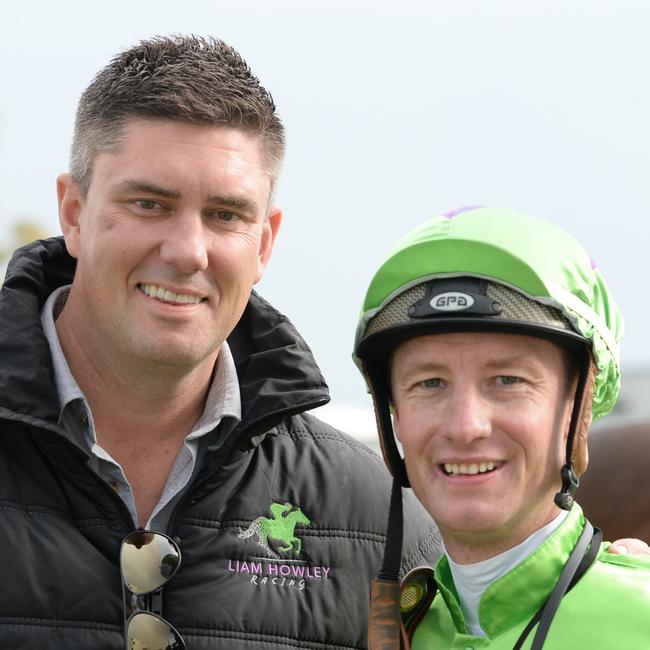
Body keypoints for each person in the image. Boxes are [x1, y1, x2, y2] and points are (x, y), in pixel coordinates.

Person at [0, 35, 441, 649]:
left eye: (226, 215)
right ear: (73, 213)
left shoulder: (377, 519)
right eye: (150, 203)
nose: (187, 252)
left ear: (264, 242)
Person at [354, 206, 650, 648]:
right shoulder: (399, 629)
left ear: (579, 409)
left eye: (508, 380)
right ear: (394, 415)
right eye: (429, 383)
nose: (465, 426)